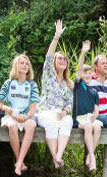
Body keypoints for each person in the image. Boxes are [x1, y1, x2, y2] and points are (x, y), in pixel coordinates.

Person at [38, 20, 74, 168]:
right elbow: (48, 57)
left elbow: (69, 104)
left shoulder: (68, 84)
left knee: (68, 122)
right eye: (60, 58)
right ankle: (56, 157)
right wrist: (56, 36)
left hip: (60, 114)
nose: (62, 60)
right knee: (52, 124)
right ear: (54, 62)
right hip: (45, 112)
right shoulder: (48, 74)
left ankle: (59, 156)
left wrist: (65, 112)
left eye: (64, 59)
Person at [0, 54, 40, 176]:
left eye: (27, 64)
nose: (25, 66)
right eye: (22, 63)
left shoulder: (32, 85)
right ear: (16, 66)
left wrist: (25, 118)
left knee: (31, 125)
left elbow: (33, 107)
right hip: (11, 115)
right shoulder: (9, 83)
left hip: (26, 116)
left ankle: (19, 162)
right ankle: (19, 161)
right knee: (12, 126)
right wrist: (5, 108)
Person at [72, 40, 102, 171]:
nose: (88, 75)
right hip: (79, 119)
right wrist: (83, 53)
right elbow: (79, 69)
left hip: (90, 118)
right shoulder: (79, 86)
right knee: (89, 127)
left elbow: (96, 110)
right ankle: (92, 157)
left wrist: (95, 116)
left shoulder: (95, 92)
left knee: (98, 127)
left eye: (90, 73)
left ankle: (90, 155)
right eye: (85, 73)